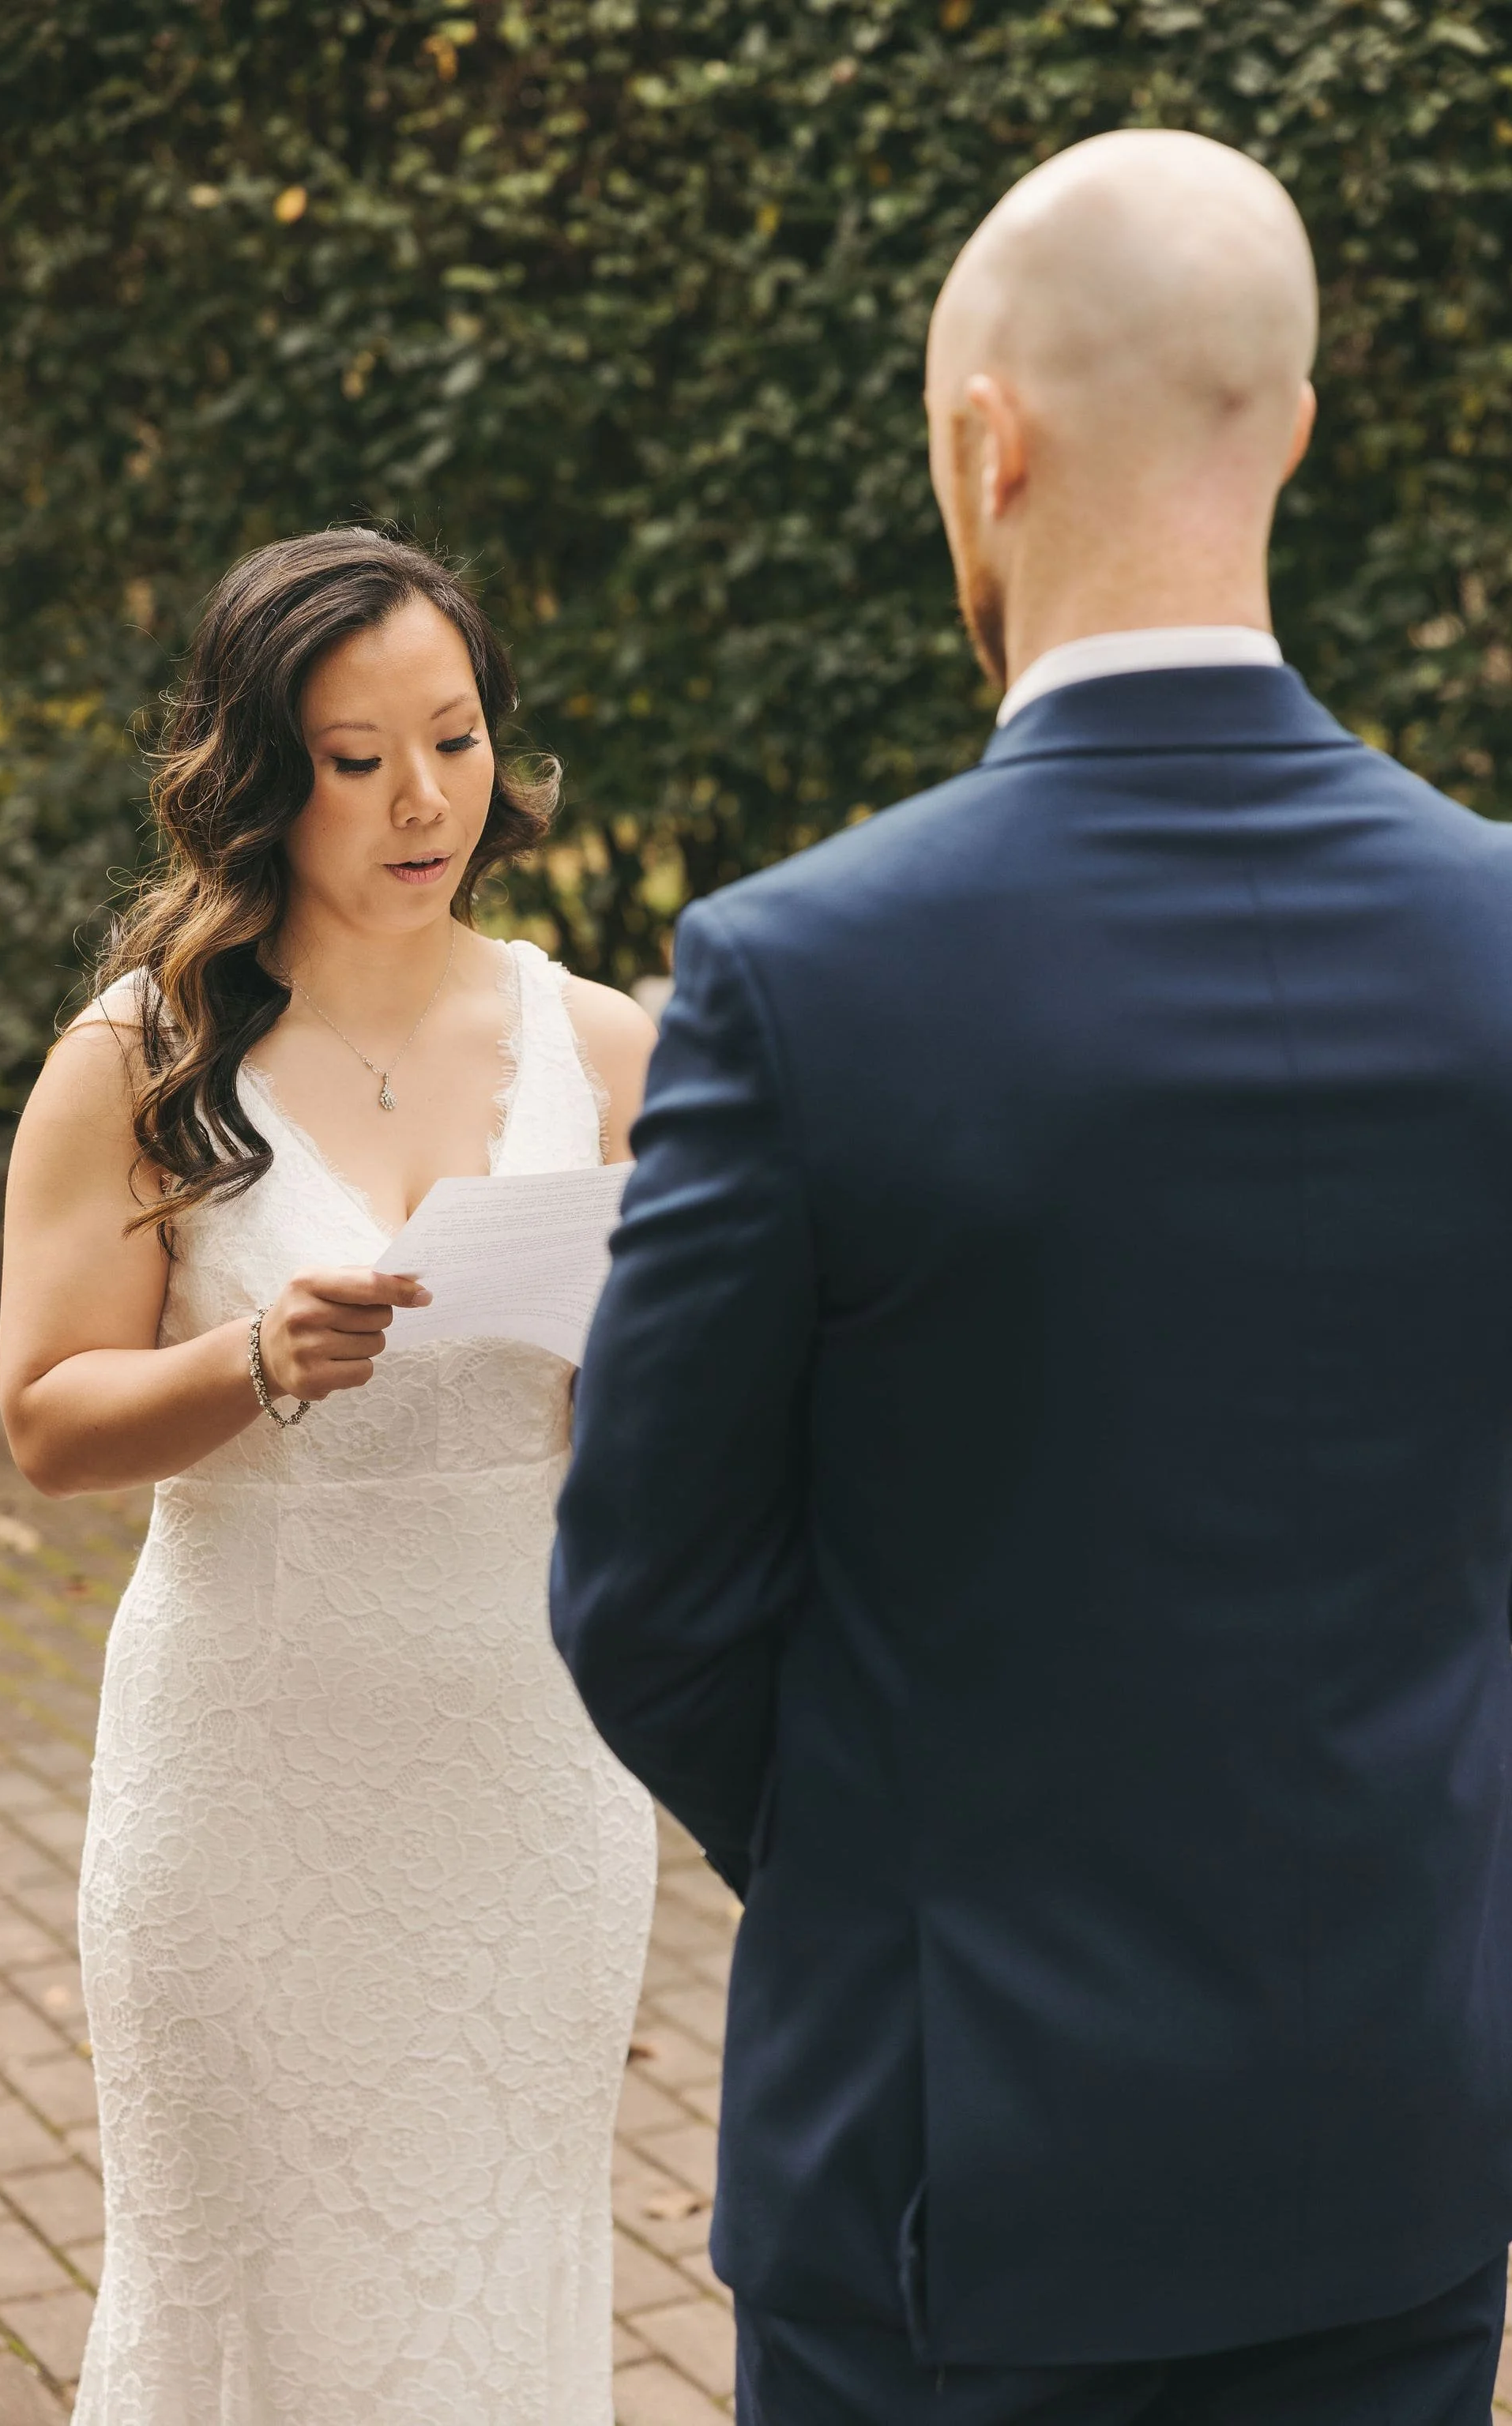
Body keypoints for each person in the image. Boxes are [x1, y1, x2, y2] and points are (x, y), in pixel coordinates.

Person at [551, 129, 1512, 2424]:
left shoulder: (798, 975)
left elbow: (647, 1590)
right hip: (1404, 2127)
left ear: (985, 445)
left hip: (954, 2179)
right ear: (1288, 424)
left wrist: (895, 1859)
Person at [0, 528, 658, 2425]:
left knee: (495, 2272)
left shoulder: (601, 1044)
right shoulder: (144, 1052)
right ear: (263, 776)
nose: (423, 797)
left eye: (451, 738)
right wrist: (251, 1357)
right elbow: (44, 1417)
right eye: (357, 759)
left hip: (526, 1784)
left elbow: (664, 1429)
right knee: (245, 2285)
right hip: (243, 1781)